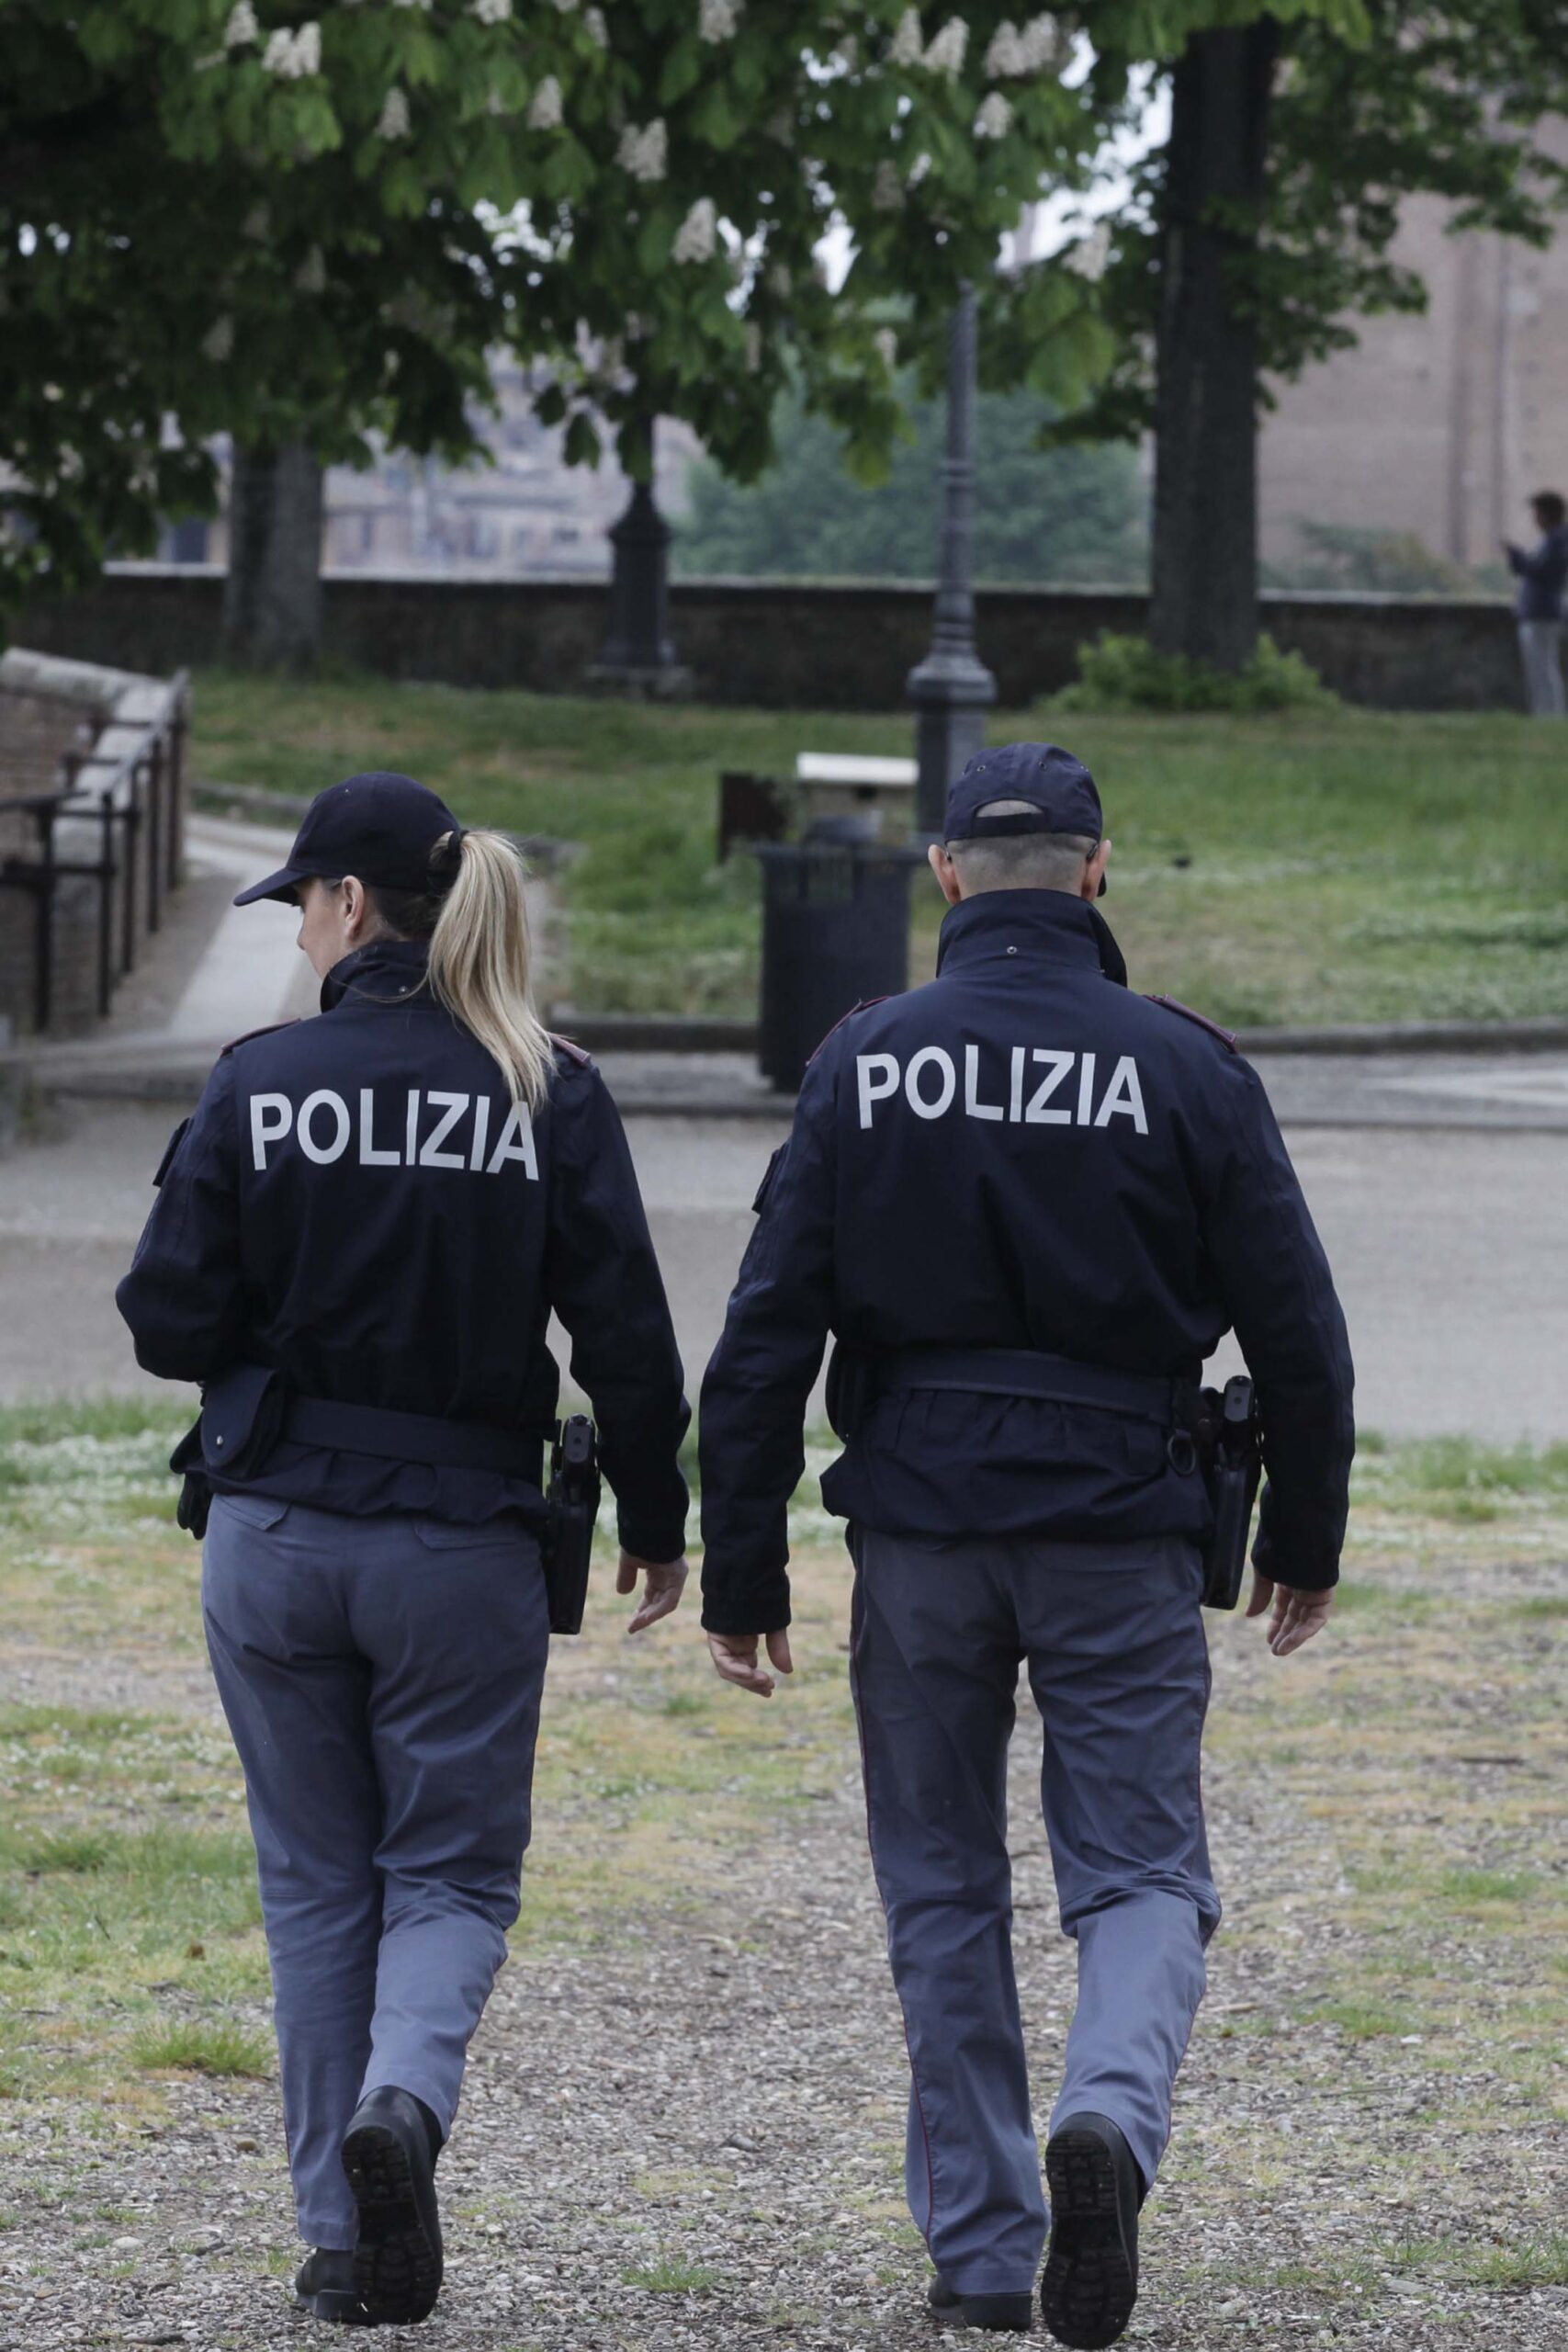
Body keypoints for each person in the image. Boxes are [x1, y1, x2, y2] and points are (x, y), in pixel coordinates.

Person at [697, 743, 1354, 2347]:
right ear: (1096, 871)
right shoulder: (1186, 1066)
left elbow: (765, 1335)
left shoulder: (866, 1060)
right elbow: (1299, 1335)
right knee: (1138, 1871)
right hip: (1121, 1522)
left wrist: (741, 1568)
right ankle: (1109, 2124)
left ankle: (988, 2254)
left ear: (940, 878)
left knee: (940, 1884)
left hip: (919, 1525)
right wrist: (1305, 1534)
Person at [116, 771, 691, 2328]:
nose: (299, 932)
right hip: (462, 1540)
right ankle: (406, 2113)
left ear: (351, 906)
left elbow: (165, 1316)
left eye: (301, 902)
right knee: (446, 1878)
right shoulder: (545, 1084)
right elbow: (625, 1332)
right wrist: (659, 1518)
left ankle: (338, 2237)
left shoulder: (260, 1076)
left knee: (314, 1887)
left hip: (277, 1534)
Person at [1505, 489, 1568, 718]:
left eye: (1538, 513)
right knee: (1541, 667)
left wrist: (1517, 557)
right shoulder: (1553, 540)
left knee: (1543, 668)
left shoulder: (1558, 541)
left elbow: (1542, 571)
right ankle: (1547, 712)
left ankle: (1549, 713)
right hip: (1540, 611)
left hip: (1542, 612)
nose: (1535, 518)